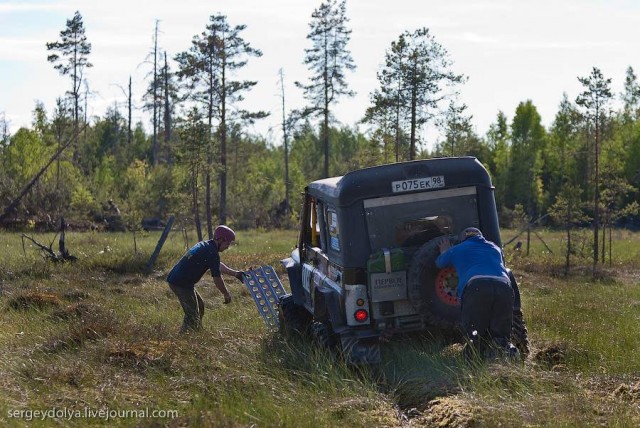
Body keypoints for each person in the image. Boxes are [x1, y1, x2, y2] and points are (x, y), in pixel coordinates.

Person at [436, 227, 518, 360]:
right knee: (501, 335)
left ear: (463, 239)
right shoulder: (495, 248)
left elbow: (440, 263)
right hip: (504, 286)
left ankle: (473, 368)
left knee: (475, 334)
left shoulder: (459, 248)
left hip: (477, 287)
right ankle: (507, 365)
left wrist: (445, 251)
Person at [166, 225, 244, 333]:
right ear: (221, 239)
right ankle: (184, 338)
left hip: (179, 280)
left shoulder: (207, 246)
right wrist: (226, 293)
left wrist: (235, 274)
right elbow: (217, 279)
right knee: (192, 315)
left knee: (200, 306)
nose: (227, 247)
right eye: (228, 243)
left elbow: (216, 265)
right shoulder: (211, 252)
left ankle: (197, 332)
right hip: (181, 283)